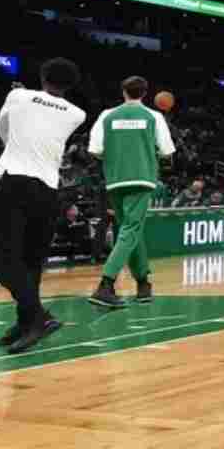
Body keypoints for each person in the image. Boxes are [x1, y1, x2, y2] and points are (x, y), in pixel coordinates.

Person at [0, 59, 87, 352]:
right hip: (47, 191)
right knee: (31, 261)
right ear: (71, 84)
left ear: (42, 75)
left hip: (14, 181)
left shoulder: (18, 95)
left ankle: (38, 318)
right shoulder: (77, 113)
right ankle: (25, 322)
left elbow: (3, 129)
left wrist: (18, 105)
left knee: (4, 264)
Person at [86, 76, 177, 308]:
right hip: (142, 178)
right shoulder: (154, 116)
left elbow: (95, 150)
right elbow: (167, 152)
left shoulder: (107, 115)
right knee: (131, 229)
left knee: (129, 230)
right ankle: (105, 284)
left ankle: (143, 284)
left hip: (115, 180)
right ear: (145, 93)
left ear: (123, 91)